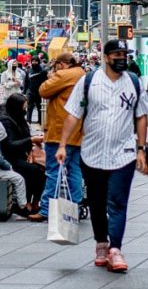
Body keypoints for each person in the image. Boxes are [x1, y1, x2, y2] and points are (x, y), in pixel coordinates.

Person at [56, 39, 148, 273]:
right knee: (97, 202)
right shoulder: (89, 81)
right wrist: (62, 145)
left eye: (124, 55)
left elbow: (141, 116)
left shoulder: (134, 83)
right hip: (92, 153)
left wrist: (141, 148)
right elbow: (73, 115)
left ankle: (115, 249)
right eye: (117, 54)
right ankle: (101, 244)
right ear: (106, 57)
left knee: (117, 202)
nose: (121, 59)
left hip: (124, 153)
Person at [28, 52, 85, 223]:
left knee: (53, 172)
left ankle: (46, 209)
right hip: (78, 131)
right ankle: (75, 207)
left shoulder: (63, 75)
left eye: (55, 66)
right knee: (75, 171)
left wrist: (51, 76)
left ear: (60, 64)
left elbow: (43, 90)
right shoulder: (83, 74)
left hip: (60, 132)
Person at [0, 93, 46, 212]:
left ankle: (35, 201)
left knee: (41, 170)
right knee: (33, 171)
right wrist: (31, 140)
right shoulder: (6, 121)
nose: (25, 110)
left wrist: (33, 140)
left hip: (21, 155)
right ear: (16, 106)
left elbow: (24, 137)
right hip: (8, 158)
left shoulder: (19, 118)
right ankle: (27, 202)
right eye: (24, 107)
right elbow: (10, 144)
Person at [24, 58, 47, 125]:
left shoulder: (43, 71)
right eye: (33, 61)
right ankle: (28, 121)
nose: (34, 63)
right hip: (30, 91)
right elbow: (26, 82)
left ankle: (40, 122)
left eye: (36, 61)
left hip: (39, 92)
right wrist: (25, 92)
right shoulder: (29, 71)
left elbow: (45, 82)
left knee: (40, 107)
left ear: (38, 62)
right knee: (29, 107)